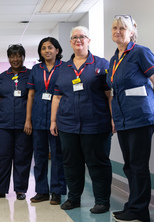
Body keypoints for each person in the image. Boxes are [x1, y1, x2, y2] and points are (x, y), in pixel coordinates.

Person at [50, 26, 113, 214]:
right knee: (71, 163)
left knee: (97, 163)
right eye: (74, 37)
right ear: (70, 42)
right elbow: (57, 96)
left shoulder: (101, 64)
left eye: (82, 37)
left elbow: (109, 94)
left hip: (96, 124)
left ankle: (102, 201)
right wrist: (53, 121)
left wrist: (113, 118)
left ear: (89, 40)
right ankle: (73, 198)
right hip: (68, 125)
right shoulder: (62, 68)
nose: (78, 40)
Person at [108, 15, 154, 222]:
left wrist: (153, 111)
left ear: (131, 31)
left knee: (138, 165)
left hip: (141, 118)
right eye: (114, 27)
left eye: (122, 28)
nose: (117, 31)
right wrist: (114, 118)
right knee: (129, 165)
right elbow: (115, 92)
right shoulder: (114, 59)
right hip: (123, 120)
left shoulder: (140, 52)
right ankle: (133, 205)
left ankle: (140, 211)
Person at [0, 44, 32, 201]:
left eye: (18, 55)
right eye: (12, 56)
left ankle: (20, 189)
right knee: (2, 157)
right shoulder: (2, 77)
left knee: (22, 157)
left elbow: (32, 99)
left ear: (23, 57)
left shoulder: (30, 75)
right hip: (3, 124)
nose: (15, 59)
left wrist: (29, 121)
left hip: (23, 125)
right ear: (8, 58)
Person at [25, 37, 66, 205]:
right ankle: (41, 191)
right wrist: (28, 119)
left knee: (57, 156)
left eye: (50, 47)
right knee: (40, 156)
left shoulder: (65, 68)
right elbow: (31, 95)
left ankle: (57, 191)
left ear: (57, 50)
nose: (47, 50)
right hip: (38, 117)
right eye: (43, 48)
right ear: (40, 52)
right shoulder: (36, 69)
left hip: (58, 118)